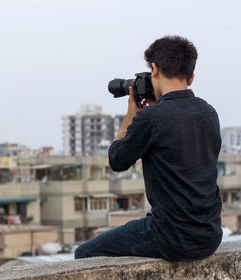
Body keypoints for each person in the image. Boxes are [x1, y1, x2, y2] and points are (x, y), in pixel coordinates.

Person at [75, 36, 222, 261]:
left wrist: (132, 114)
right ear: (191, 77)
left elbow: (117, 160)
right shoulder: (209, 113)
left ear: (154, 69)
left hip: (172, 238)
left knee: (84, 252)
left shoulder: (151, 118)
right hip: (210, 236)